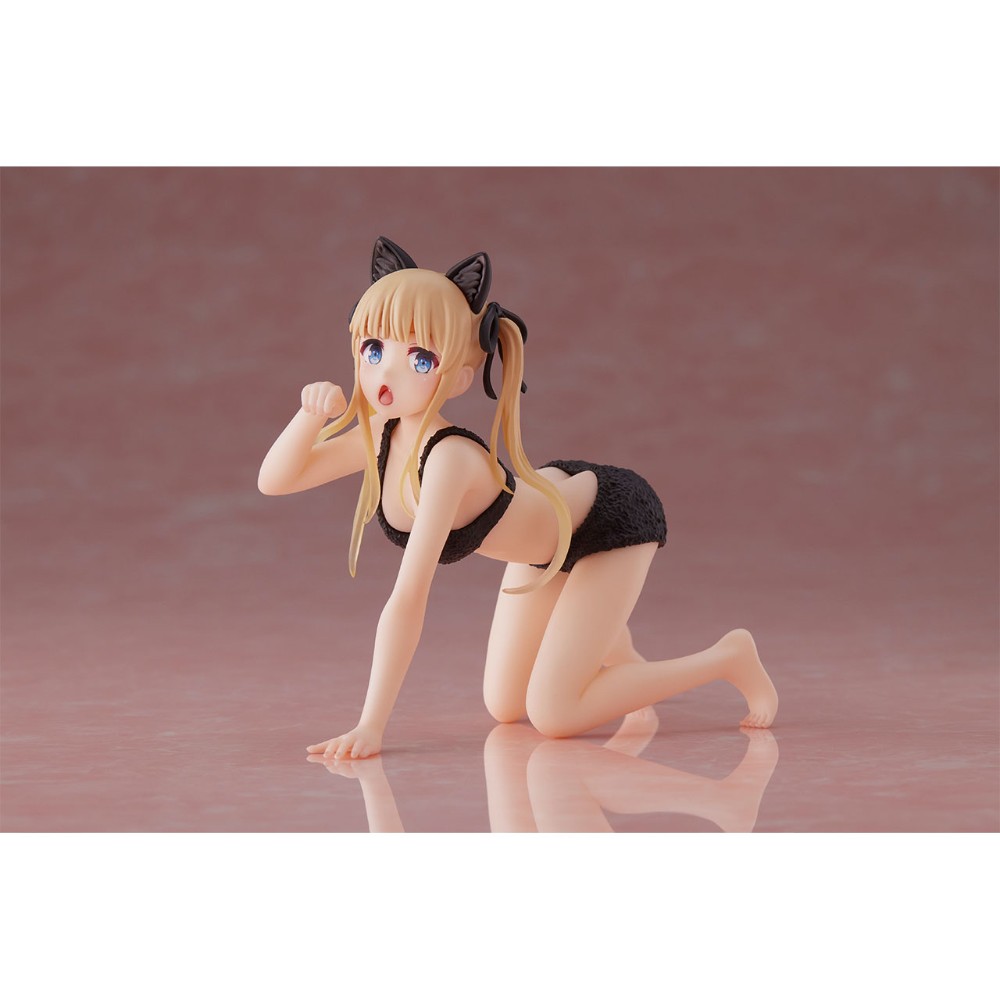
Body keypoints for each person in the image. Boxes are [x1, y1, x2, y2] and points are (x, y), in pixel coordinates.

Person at [258, 237, 778, 759]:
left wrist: (370, 727)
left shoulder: (449, 459)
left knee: (555, 714)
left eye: (419, 359)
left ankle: (726, 658)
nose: (384, 373)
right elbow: (275, 481)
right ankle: (616, 655)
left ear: (459, 378)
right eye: (373, 349)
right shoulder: (381, 434)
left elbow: (408, 598)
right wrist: (309, 417)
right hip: (544, 539)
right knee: (505, 706)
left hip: (604, 522)